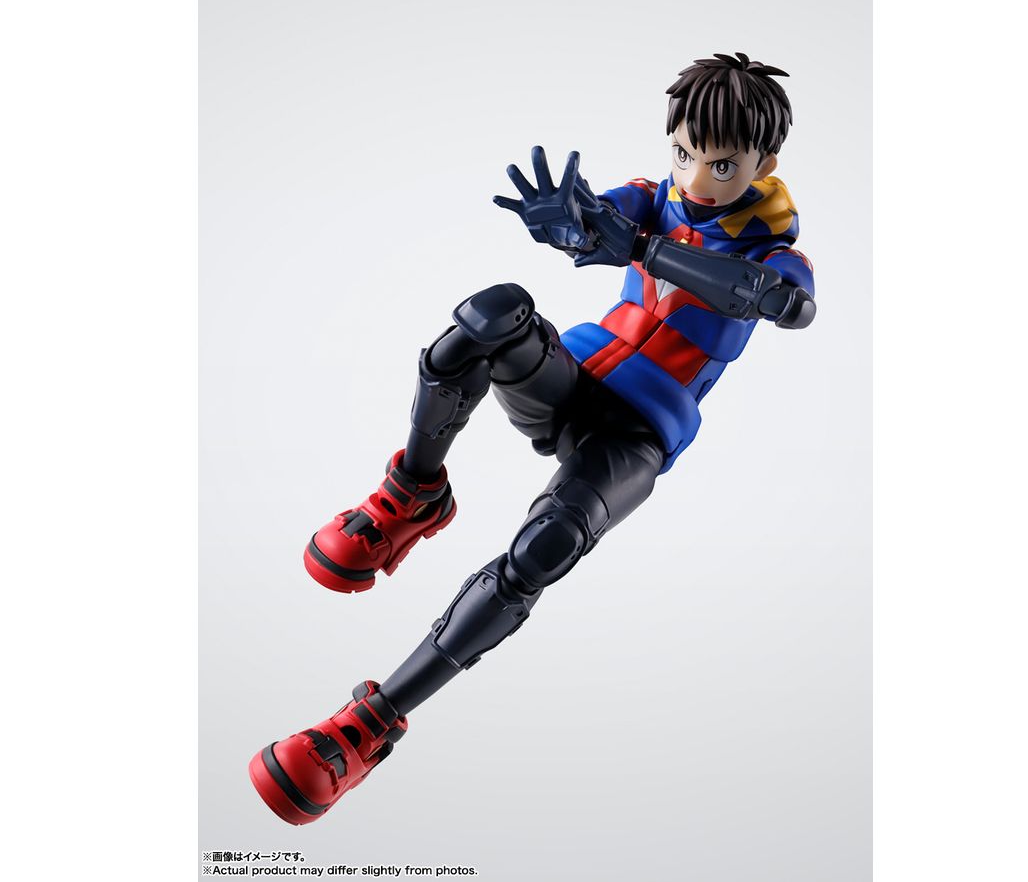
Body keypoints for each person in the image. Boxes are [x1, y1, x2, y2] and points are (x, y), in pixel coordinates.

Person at [250, 52, 817, 825]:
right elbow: (597, 217)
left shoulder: (772, 250)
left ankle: (370, 723)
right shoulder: (657, 198)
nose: (696, 177)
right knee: (490, 315)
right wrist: (571, 220)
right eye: (683, 152)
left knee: (545, 548)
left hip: (637, 433)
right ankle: (412, 493)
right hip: (573, 381)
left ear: (764, 165)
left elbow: (785, 304)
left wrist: (644, 248)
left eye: (721, 165)